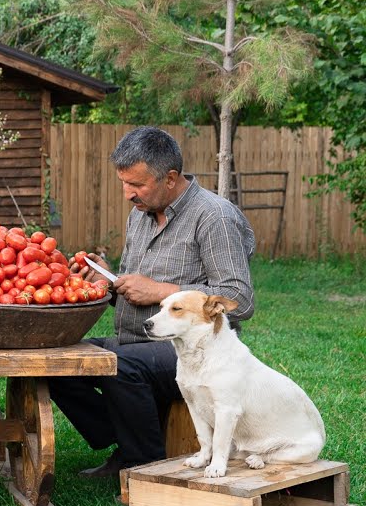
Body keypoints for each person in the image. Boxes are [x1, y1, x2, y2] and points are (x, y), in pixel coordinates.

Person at [48, 126, 255, 478]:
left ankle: (144, 466)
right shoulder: (140, 215)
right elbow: (136, 290)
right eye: (124, 183)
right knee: (57, 358)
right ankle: (123, 440)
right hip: (139, 339)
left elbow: (238, 298)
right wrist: (109, 283)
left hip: (195, 351)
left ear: (170, 178)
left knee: (120, 365)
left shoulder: (214, 217)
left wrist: (160, 290)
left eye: (137, 185)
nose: (128, 194)